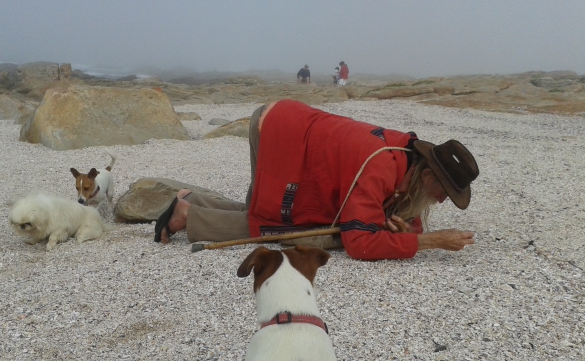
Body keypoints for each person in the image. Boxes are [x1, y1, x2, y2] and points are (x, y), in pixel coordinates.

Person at [156, 100, 479, 261]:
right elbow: (359, 242)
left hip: (294, 128)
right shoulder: (382, 166)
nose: (441, 200)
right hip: (280, 133)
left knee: (265, 214)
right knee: (277, 227)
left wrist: (407, 232)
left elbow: (396, 216)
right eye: (443, 192)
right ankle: (188, 216)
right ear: (426, 174)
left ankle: (193, 200)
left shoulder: (409, 158)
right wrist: (431, 241)